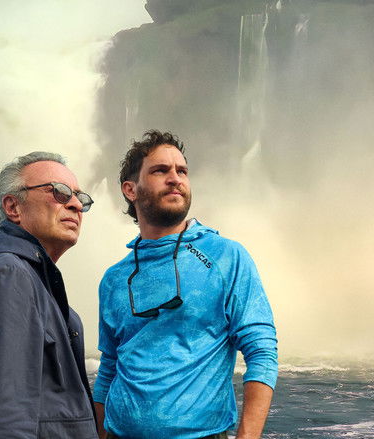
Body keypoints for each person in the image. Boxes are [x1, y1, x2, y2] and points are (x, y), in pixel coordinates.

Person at [93, 131, 278, 439]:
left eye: (182, 171)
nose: (175, 179)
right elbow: (109, 368)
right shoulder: (115, 278)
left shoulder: (225, 256)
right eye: (160, 170)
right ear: (130, 189)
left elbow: (261, 350)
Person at [0, 152, 99, 439]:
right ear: (13, 207)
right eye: (59, 192)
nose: (75, 205)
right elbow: (1, 420)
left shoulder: (35, 286)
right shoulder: (7, 276)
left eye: (80, 198)